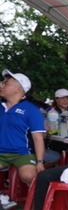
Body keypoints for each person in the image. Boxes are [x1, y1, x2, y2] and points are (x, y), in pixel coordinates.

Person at [0, 70, 46, 199]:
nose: (1, 85)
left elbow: (38, 138)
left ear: (18, 89)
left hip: (23, 154)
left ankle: (41, 204)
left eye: (6, 83)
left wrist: (40, 162)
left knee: (29, 176)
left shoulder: (31, 110)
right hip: (1, 153)